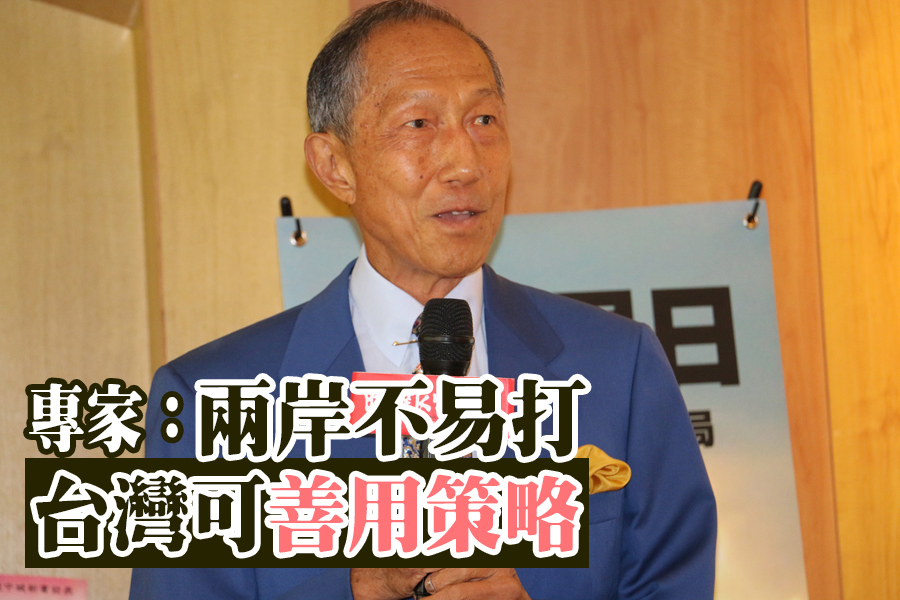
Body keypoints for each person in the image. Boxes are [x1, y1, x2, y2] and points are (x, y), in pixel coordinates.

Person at [130, 1, 716, 600]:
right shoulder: (205, 402)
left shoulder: (618, 367)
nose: (466, 163)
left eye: (484, 119)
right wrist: (351, 590)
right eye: (418, 124)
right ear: (334, 166)